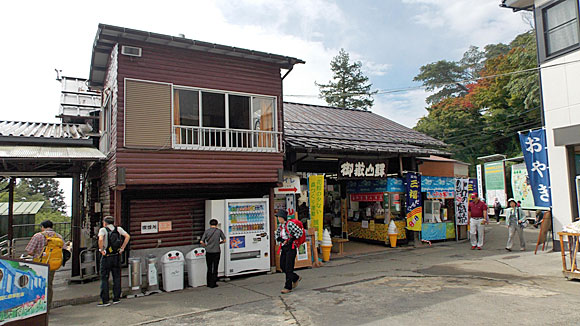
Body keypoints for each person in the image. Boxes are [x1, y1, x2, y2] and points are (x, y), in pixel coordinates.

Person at [25, 220, 67, 312]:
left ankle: (36, 307)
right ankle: (47, 307)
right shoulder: (58, 236)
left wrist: (37, 254)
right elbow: (64, 249)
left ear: (42, 227)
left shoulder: (38, 236)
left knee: (36, 285)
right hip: (52, 264)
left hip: (38, 264)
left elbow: (30, 251)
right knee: (49, 285)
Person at [98, 216, 130, 306]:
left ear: (105, 222)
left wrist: (101, 250)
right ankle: (116, 298)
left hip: (107, 256)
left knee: (105, 278)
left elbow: (100, 239)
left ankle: (105, 300)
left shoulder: (103, 230)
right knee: (116, 277)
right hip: (116, 256)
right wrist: (122, 248)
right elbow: (127, 236)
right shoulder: (118, 229)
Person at [275, 209, 303, 294]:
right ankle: (295, 278)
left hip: (291, 247)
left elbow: (300, 232)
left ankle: (288, 286)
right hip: (284, 247)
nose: (278, 219)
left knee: (288, 267)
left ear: (283, 217)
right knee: (282, 266)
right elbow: (276, 235)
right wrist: (281, 239)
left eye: (279, 217)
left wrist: (292, 239)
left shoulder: (290, 224)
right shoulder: (280, 226)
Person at [200, 219, 226, 288]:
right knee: (215, 267)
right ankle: (214, 283)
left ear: (210, 224)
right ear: (216, 224)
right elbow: (224, 240)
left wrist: (206, 246)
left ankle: (208, 283)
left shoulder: (207, 231)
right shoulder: (219, 231)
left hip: (208, 252)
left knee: (209, 267)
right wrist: (219, 243)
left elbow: (201, 241)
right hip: (216, 251)